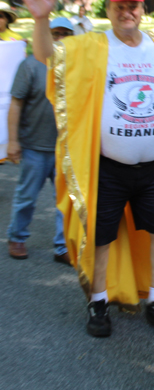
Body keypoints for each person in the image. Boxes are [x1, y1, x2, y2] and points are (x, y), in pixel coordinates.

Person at [17, 0, 154, 339]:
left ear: (143, 9)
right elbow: (48, 58)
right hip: (107, 167)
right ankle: (98, 302)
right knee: (100, 236)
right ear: (108, 9)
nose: (127, 12)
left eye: (133, 5)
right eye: (119, 6)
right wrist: (42, 20)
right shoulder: (91, 46)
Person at [6, 18, 74, 263]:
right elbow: (16, 103)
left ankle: (63, 246)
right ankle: (17, 237)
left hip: (65, 149)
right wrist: (13, 141)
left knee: (66, 202)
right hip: (34, 147)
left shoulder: (77, 66)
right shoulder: (30, 65)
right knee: (26, 197)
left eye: (66, 34)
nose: (60, 38)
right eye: (55, 33)